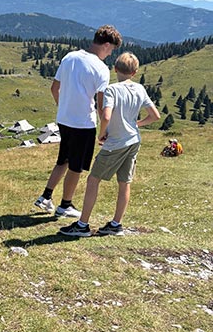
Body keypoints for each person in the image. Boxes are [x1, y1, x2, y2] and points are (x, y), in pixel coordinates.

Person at [59, 51, 160, 237]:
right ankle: (116, 224)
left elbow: (105, 115)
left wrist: (102, 133)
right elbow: (155, 116)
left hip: (115, 143)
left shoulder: (112, 90)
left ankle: (82, 225)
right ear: (135, 72)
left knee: (93, 180)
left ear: (115, 69)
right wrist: (137, 124)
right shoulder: (140, 89)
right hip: (134, 141)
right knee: (124, 183)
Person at [34, 24, 123, 217]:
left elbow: (54, 88)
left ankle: (46, 196)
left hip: (64, 119)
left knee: (63, 160)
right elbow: (101, 105)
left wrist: (64, 107)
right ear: (106, 45)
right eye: (112, 50)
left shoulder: (69, 57)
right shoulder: (101, 68)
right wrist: (103, 131)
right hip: (83, 123)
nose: (110, 54)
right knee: (76, 167)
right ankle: (65, 205)